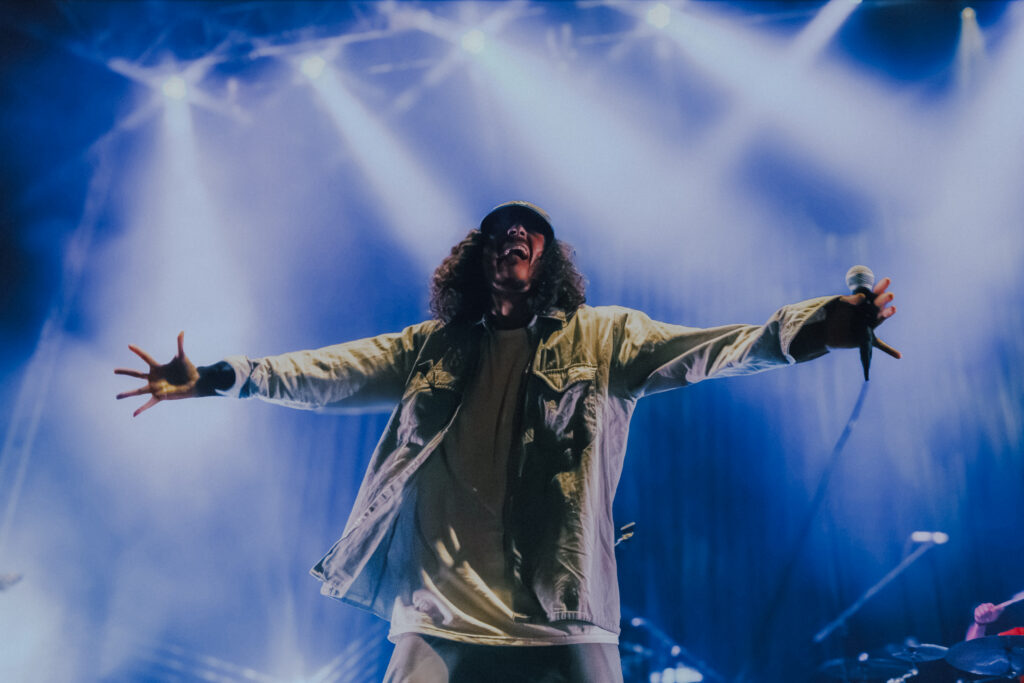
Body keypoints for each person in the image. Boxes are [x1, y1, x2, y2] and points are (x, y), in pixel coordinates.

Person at [115, 201, 899, 682]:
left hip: (559, 617)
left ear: (548, 258)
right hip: (440, 619)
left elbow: (719, 347)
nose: (511, 235)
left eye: (528, 230)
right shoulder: (432, 348)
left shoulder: (606, 336)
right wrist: (220, 375)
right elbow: (322, 372)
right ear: (479, 259)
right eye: (496, 231)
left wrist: (821, 326)